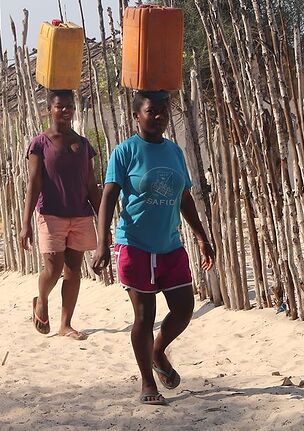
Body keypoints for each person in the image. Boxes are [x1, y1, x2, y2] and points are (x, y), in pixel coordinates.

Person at [91, 90, 214, 405]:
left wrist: (201, 235)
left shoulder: (175, 152)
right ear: (136, 115)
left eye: (163, 111)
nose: (159, 116)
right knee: (145, 316)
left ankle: (158, 351)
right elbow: (108, 196)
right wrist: (103, 241)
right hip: (135, 245)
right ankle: (148, 383)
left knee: (184, 309)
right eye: (151, 111)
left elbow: (184, 197)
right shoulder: (125, 152)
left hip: (170, 245)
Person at [20, 89, 101, 341]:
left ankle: (66, 324)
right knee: (53, 269)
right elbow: (34, 183)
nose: (65, 111)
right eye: (59, 106)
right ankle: (42, 299)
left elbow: (91, 184)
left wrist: (103, 218)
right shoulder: (39, 144)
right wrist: (26, 224)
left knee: (73, 270)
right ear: (49, 109)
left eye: (69, 106)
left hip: (80, 214)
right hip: (50, 213)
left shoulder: (83, 144)